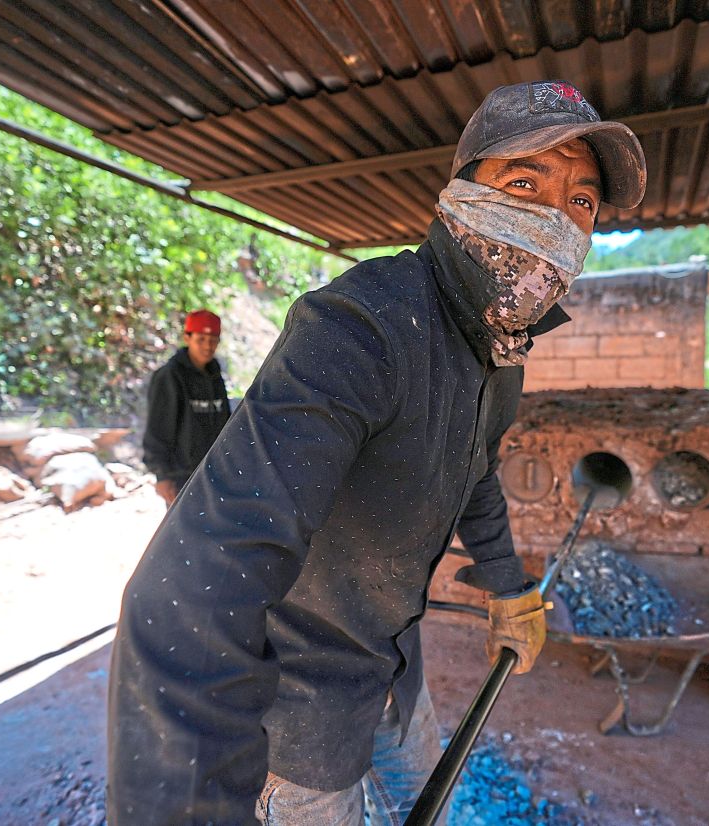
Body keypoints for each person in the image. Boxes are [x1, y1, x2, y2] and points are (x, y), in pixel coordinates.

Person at [108, 80, 646, 825]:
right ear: (460, 196)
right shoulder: (359, 328)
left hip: (393, 668)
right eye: (524, 182)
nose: (556, 219)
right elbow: (187, 598)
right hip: (297, 717)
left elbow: (478, 466)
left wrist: (507, 584)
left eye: (582, 202)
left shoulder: (498, 350)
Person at [141, 309, 231, 507]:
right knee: (186, 535)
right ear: (187, 338)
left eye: (213, 340)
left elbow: (225, 422)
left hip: (214, 474)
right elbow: (158, 428)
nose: (208, 346)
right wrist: (162, 475)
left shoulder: (215, 377)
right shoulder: (169, 377)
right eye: (201, 339)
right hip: (181, 477)